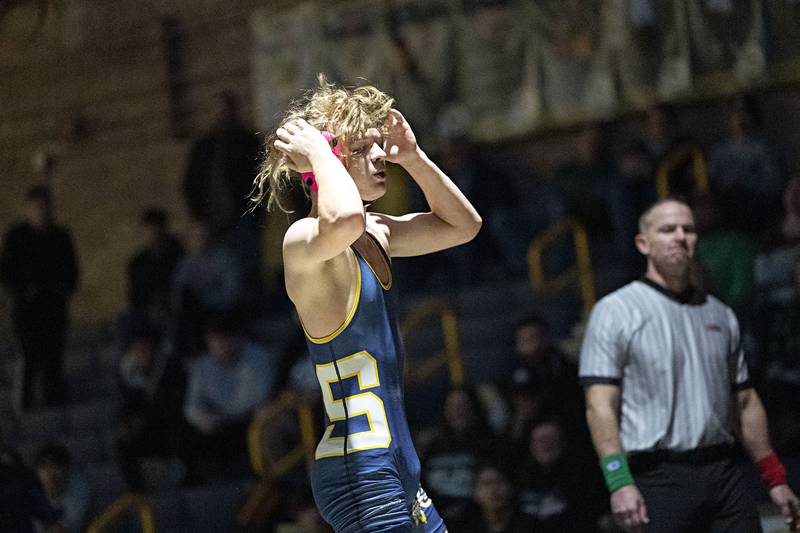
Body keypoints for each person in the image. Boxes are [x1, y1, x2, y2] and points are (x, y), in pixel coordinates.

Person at [250, 76, 481, 532]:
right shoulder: (303, 241)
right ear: (329, 155)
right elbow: (344, 218)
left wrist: (415, 158)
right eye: (363, 148)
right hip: (359, 472)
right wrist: (317, 154)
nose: (380, 157)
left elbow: (464, 225)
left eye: (380, 146)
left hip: (398, 468)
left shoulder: (376, 232)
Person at [578, 197, 800, 532]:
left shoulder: (721, 315)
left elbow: (744, 400)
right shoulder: (616, 311)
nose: (680, 236)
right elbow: (599, 404)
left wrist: (775, 479)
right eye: (668, 229)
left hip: (724, 471)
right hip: (659, 477)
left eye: (688, 229)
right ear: (643, 243)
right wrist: (619, 481)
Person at [0, 185, 79, 409]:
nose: (42, 211)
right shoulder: (16, 237)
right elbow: (7, 272)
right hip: (27, 309)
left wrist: (59, 289)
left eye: (45, 206)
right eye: (37, 206)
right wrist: (24, 290)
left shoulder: (61, 237)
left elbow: (71, 272)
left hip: (53, 308)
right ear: (28, 208)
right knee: (29, 357)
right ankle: (24, 403)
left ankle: (53, 401)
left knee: (53, 358)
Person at [183, 314, 276, 481]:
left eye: (225, 339)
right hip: (217, 425)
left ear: (237, 338)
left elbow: (261, 400)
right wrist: (207, 419)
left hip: (250, 421)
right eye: (215, 340)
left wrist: (229, 417)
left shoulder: (259, 358)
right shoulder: (202, 366)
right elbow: (192, 407)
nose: (221, 346)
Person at [32, 442, 90, 533]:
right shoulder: (30, 490)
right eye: (44, 466)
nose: (51, 473)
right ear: (36, 471)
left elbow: (65, 527)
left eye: (56, 466)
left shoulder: (78, 485)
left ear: (67, 469)